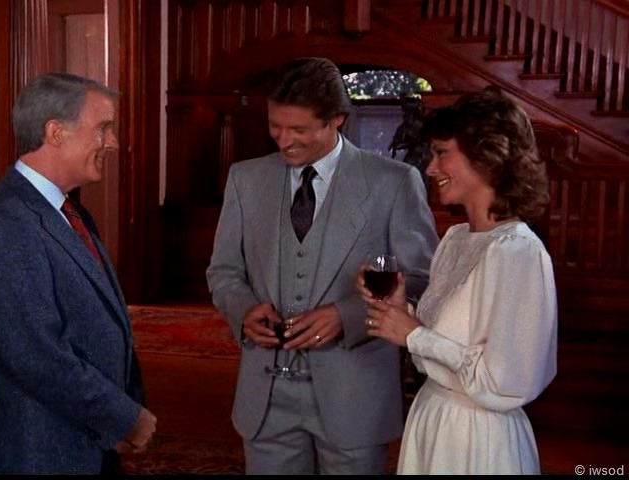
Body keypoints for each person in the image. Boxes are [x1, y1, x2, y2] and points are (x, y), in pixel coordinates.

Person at [206, 57, 438, 474]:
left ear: (337, 119)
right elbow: (223, 271)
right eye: (276, 126)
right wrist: (243, 310)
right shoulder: (245, 179)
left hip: (355, 397)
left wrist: (346, 316)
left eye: (299, 130)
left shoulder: (393, 182)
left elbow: (421, 280)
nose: (284, 141)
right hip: (266, 398)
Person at [0, 73, 157, 474]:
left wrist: (124, 410)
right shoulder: (5, 223)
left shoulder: (70, 212)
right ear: (55, 132)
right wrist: (122, 417)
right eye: (103, 128)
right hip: (38, 450)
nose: (113, 142)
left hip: (85, 443)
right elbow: (36, 355)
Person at [360, 88, 558, 474]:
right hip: (434, 420)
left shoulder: (518, 252)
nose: (430, 168)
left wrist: (414, 335)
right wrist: (403, 310)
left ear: (486, 156)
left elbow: (506, 382)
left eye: (441, 153)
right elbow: (444, 339)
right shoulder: (455, 239)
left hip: (477, 437)